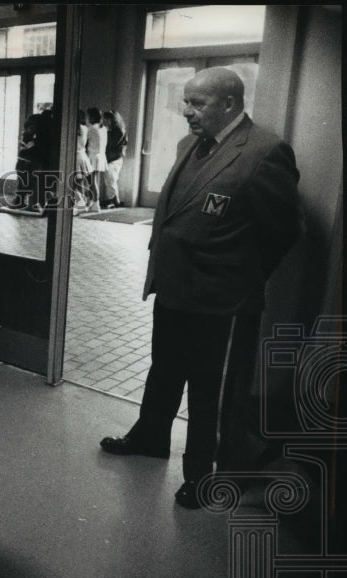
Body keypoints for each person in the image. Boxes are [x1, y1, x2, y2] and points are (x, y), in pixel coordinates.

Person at [99, 67, 300, 509]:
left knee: (211, 390)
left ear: (228, 103)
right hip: (173, 287)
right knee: (164, 370)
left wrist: (239, 275)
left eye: (197, 103)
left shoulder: (266, 152)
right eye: (185, 101)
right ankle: (151, 436)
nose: (185, 111)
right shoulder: (189, 145)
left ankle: (202, 474)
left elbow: (283, 230)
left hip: (222, 300)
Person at [100, 110, 128, 209]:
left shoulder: (118, 131)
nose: (105, 121)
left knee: (111, 180)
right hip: (112, 158)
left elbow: (111, 144)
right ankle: (114, 200)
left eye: (106, 119)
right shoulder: (115, 130)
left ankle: (114, 200)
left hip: (114, 158)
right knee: (110, 180)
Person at [84, 106, 107, 212]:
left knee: (92, 182)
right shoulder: (103, 128)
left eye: (88, 116)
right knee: (94, 181)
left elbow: (85, 141)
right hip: (100, 156)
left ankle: (96, 203)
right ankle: (91, 202)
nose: (87, 118)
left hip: (93, 156)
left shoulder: (91, 129)